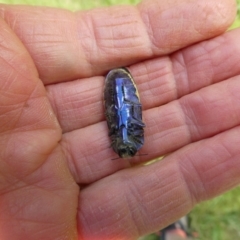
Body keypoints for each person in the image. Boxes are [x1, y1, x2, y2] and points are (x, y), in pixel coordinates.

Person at [0, 0, 239, 239]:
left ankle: (174, 233)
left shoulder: (130, 141)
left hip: (119, 97)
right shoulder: (132, 141)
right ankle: (175, 233)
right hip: (120, 97)